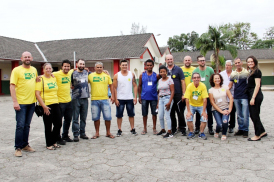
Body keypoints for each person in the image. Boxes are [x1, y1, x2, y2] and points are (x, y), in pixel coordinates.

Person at [10, 51, 37, 157]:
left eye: (29, 57)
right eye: (25, 57)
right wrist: (15, 102)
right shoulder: (16, 70)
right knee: (20, 126)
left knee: (27, 125)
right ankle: (18, 148)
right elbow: (12, 86)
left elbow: (36, 80)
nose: (27, 58)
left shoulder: (34, 70)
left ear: (31, 58)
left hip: (31, 103)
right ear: (21, 59)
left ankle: (25, 145)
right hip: (21, 103)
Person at [35, 63, 62, 150]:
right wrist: (44, 106)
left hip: (55, 103)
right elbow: (37, 94)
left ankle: (54, 141)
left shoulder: (53, 78)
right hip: (46, 105)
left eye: (50, 68)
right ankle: (49, 143)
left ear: (52, 69)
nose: (48, 70)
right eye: (46, 68)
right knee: (48, 125)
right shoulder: (40, 79)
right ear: (43, 69)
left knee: (58, 123)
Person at [88, 62, 115, 139]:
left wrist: (112, 96)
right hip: (94, 99)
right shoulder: (90, 76)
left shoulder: (107, 75)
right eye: (97, 67)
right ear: (94, 68)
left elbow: (111, 85)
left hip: (105, 99)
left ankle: (108, 132)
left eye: (100, 67)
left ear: (103, 68)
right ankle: (97, 133)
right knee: (96, 117)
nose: (99, 68)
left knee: (107, 117)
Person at [113, 60, 138, 136]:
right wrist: (116, 99)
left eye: (126, 65)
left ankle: (132, 129)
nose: (124, 66)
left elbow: (135, 86)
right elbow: (114, 88)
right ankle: (119, 129)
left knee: (131, 114)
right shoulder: (116, 75)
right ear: (120, 66)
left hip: (129, 98)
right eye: (123, 65)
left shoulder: (131, 74)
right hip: (120, 98)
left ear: (128, 66)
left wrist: (135, 97)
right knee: (119, 115)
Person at [52, 59, 74, 144]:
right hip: (59, 102)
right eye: (65, 66)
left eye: (68, 66)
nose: (66, 68)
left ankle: (65, 135)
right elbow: (46, 75)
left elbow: (75, 69)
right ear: (62, 67)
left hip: (69, 101)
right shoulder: (56, 74)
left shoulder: (70, 73)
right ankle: (57, 138)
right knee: (58, 122)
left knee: (68, 120)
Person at [246, 56, 267, 141]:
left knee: (254, 115)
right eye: (248, 62)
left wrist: (253, 98)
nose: (250, 63)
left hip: (255, 95)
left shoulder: (257, 71)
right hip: (252, 94)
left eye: (252, 61)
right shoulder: (251, 71)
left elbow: (257, 85)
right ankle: (262, 131)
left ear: (255, 62)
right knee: (255, 114)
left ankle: (257, 135)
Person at [193, 55, 214, 135]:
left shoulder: (210, 69)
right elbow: (194, 82)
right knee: (198, 112)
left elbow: (213, 81)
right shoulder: (196, 70)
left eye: (203, 60)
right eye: (201, 60)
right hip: (198, 95)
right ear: (198, 62)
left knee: (209, 112)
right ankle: (197, 127)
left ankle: (210, 128)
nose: (202, 62)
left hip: (208, 95)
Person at [165, 55, 186, 136]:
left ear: (173, 60)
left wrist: (183, 94)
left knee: (180, 112)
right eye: (168, 59)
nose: (169, 60)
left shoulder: (178, 69)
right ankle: (173, 128)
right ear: (166, 60)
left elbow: (183, 81)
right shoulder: (164, 70)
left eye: (171, 59)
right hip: (168, 95)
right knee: (171, 112)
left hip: (178, 94)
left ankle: (182, 128)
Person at [209, 73, 233, 140]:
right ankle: (217, 131)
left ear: (221, 79)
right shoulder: (211, 90)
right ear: (213, 80)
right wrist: (221, 111)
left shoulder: (225, 87)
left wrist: (229, 110)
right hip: (216, 109)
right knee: (219, 124)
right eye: (215, 78)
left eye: (218, 78)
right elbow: (212, 103)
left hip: (225, 108)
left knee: (225, 121)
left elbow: (231, 98)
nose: (217, 80)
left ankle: (224, 134)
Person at [229, 58, 250, 138]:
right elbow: (230, 85)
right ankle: (240, 129)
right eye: (236, 63)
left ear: (241, 63)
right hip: (236, 97)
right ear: (234, 64)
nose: (237, 64)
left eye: (239, 62)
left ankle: (246, 130)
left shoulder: (246, 73)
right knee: (239, 114)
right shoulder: (233, 74)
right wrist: (224, 91)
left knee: (245, 114)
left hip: (244, 96)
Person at [185, 72, 208, 140]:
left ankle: (201, 133)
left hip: (201, 105)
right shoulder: (189, 86)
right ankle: (191, 132)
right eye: (194, 78)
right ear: (192, 79)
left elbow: (205, 99)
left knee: (204, 118)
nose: (196, 79)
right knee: (189, 117)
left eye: (198, 77)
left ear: (200, 78)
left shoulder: (203, 86)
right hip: (192, 104)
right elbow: (187, 99)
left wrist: (204, 111)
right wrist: (188, 111)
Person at [138, 59, 159, 135]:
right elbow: (139, 86)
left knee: (154, 113)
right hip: (144, 98)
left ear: (153, 66)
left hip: (153, 97)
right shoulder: (141, 75)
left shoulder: (156, 75)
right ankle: (144, 128)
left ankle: (154, 128)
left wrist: (158, 93)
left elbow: (162, 83)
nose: (149, 66)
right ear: (145, 66)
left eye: (150, 65)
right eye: (148, 65)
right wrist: (139, 97)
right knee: (144, 113)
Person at [71, 59, 90, 141]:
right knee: (75, 117)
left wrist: (105, 70)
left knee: (83, 117)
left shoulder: (87, 72)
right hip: (76, 98)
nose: (82, 65)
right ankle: (76, 134)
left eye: (83, 64)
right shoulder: (72, 73)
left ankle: (82, 133)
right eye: (80, 64)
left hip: (85, 98)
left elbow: (97, 72)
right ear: (77, 64)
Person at [156, 65, 174, 138]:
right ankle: (163, 130)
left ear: (166, 72)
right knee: (160, 116)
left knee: (167, 115)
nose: (162, 73)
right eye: (161, 72)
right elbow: (159, 92)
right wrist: (158, 103)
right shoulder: (159, 80)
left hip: (168, 98)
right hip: (161, 99)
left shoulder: (170, 79)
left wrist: (169, 102)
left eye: (164, 71)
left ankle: (169, 132)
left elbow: (173, 91)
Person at [220, 60, 236, 133]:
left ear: (232, 66)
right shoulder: (221, 74)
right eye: (226, 65)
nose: (227, 66)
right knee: (223, 110)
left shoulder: (235, 73)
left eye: (228, 65)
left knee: (232, 112)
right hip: (223, 95)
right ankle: (222, 125)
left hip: (233, 95)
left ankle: (231, 126)